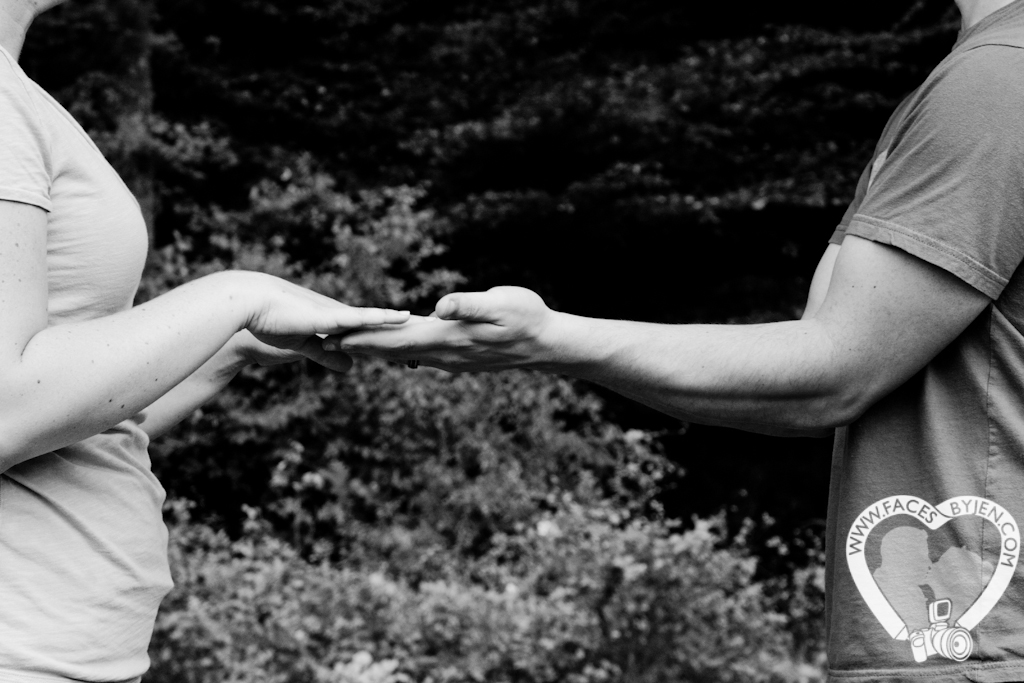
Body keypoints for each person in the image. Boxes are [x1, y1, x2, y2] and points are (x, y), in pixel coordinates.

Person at [334, 0, 1024, 680]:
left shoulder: (995, 81)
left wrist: (547, 339)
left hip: (982, 644)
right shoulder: (968, 81)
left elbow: (835, 376)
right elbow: (819, 364)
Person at [0, 1, 408, 681]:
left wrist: (229, 347)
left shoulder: (16, 94)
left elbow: (63, 421)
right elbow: (6, 410)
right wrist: (237, 296)